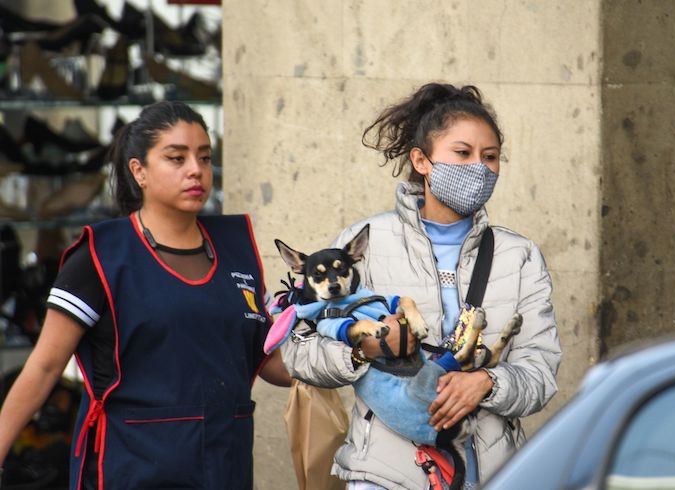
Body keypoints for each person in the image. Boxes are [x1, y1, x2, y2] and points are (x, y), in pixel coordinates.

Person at [281, 82, 561, 489]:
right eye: (462, 153)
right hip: (384, 474)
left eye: (491, 157)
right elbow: (299, 352)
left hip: (494, 474)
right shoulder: (366, 242)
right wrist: (365, 348)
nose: (479, 169)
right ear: (422, 160)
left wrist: (487, 383)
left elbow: (541, 372)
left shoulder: (519, 256)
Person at [0, 101, 291, 490]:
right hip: (131, 465)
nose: (196, 170)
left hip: (223, 463)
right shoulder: (103, 256)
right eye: (176, 158)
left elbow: (269, 359)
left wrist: (352, 352)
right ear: (139, 170)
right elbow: (45, 367)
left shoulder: (235, 251)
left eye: (204, 158)